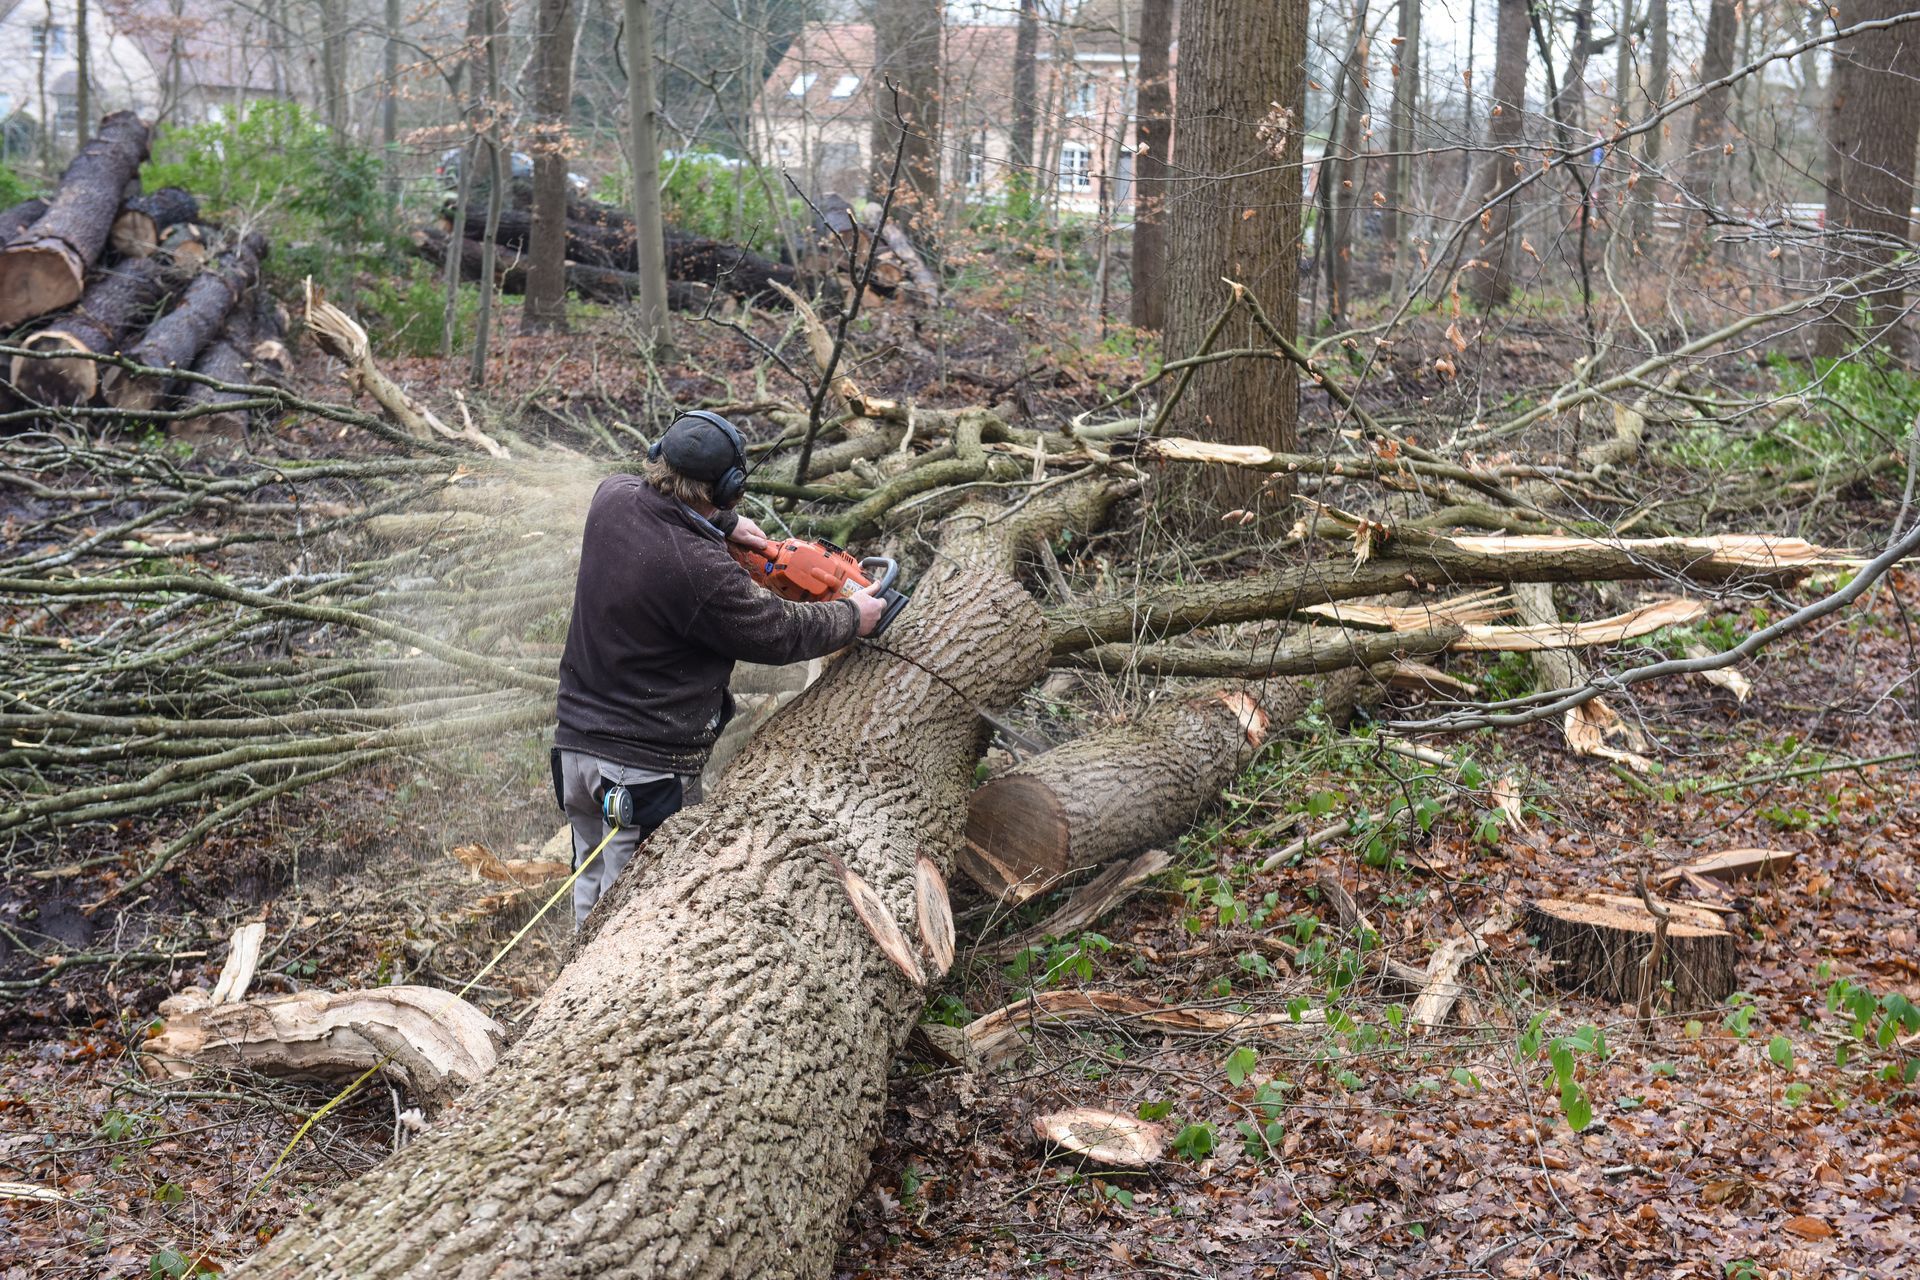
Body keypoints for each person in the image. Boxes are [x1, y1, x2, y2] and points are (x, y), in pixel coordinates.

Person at [552, 410, 886, 926]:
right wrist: (850, 616)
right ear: (729, 486)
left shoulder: (611, 498)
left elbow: (673, 518)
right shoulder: (702, 572)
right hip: (641, 771)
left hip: (575, 754)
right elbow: (778, 632)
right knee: (636, 916)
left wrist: (726, 527)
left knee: (591, 895)